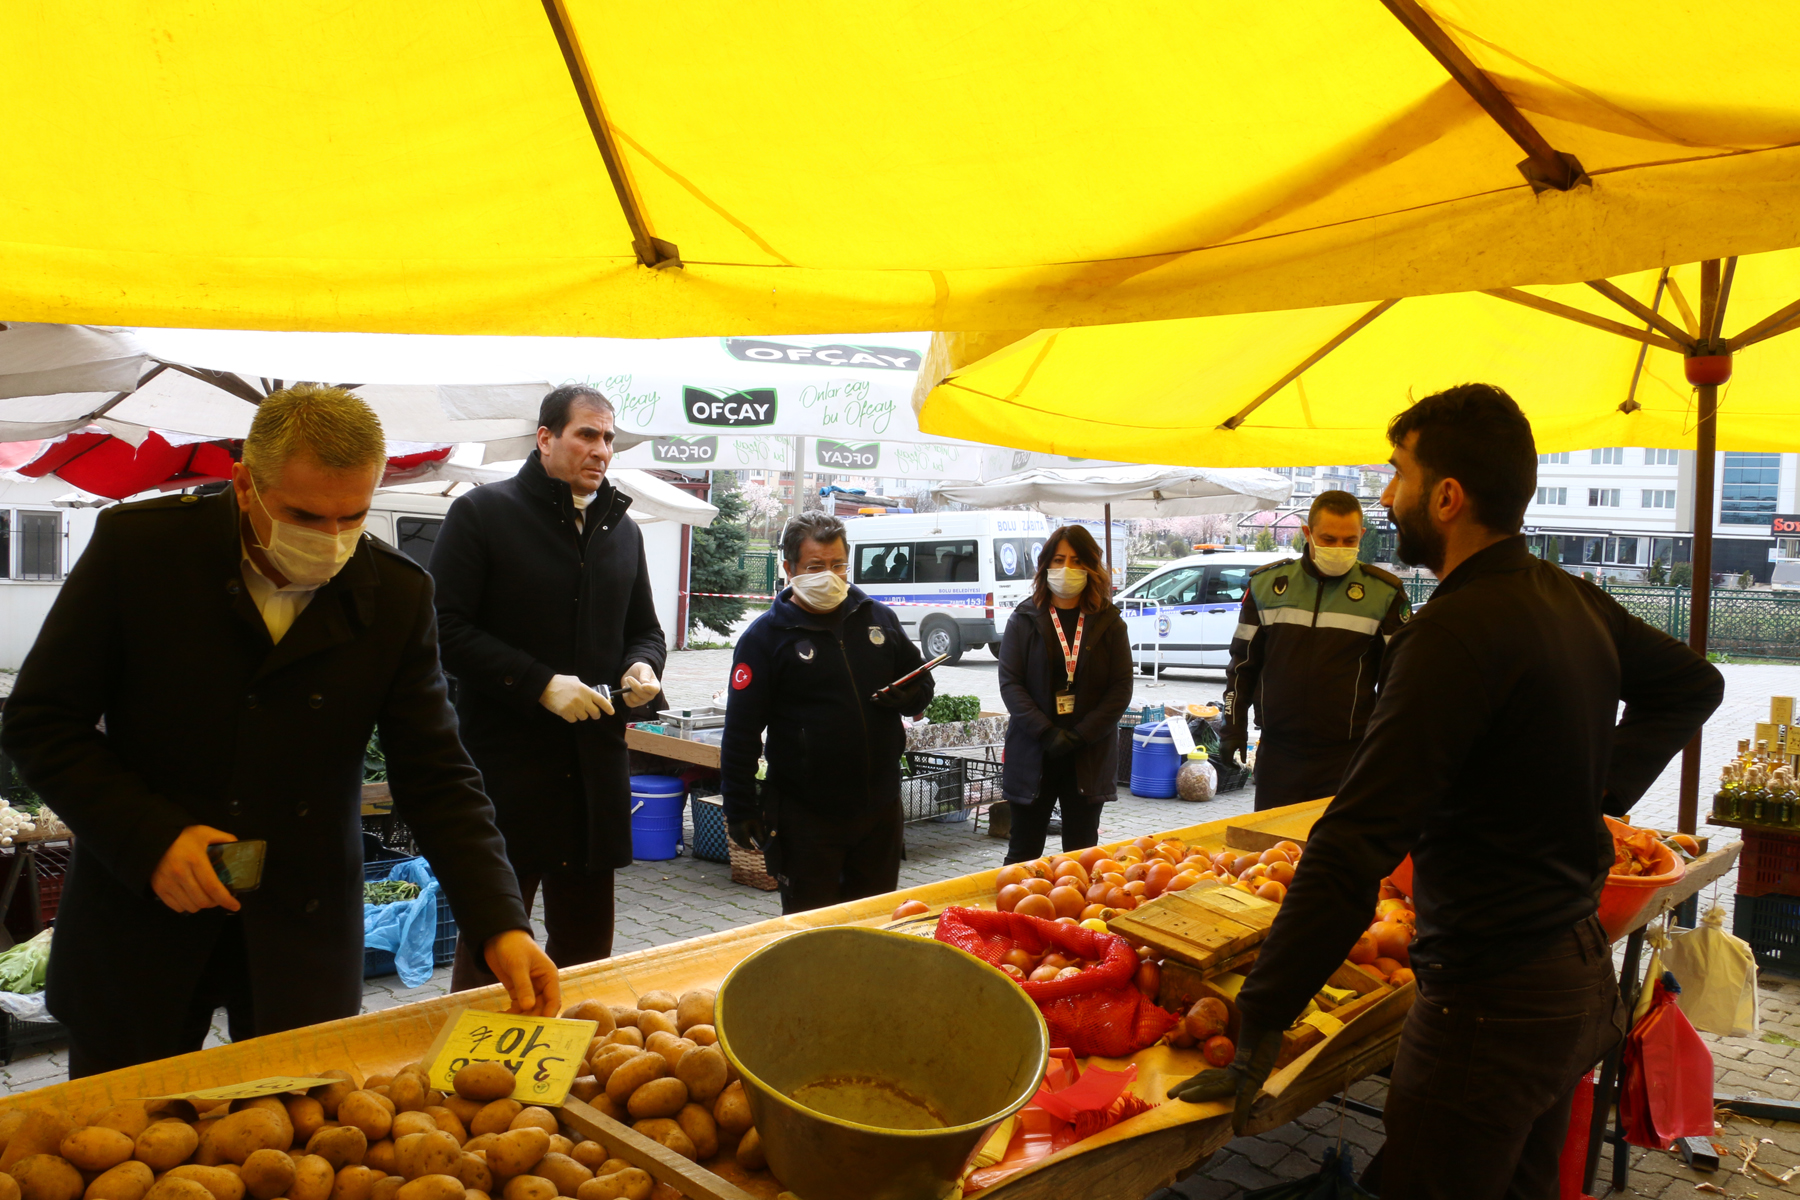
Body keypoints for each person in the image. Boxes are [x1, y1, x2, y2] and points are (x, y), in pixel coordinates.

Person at [1171, 385, 1724, 1199]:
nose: (1387, 494)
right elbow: (1693, 685)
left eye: (1398, 472)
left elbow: (1352, 845)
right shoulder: (1566, 594)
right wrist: (1586, 791)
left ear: (1447, 496)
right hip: (1572, 984)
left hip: (1488, 1009)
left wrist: (1260, 1021)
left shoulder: (1448, 634)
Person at [0, 385, 558, 1075]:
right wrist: (148, 837)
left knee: (300, 1124)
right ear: (244, 485)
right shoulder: (139, 549)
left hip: (302, 927)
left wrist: (499, 921)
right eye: (303, 516)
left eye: (353, 516)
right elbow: (41, 722)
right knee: (121, 1125)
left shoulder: (397, 593)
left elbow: (438, 776)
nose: (331, 540)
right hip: (139, 918)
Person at [430, 385, 666, 989]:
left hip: (593, 775)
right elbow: (443, 628)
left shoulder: (622, 530)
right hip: (509, 771)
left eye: (608, 438)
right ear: (545, 438)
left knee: (587, 955)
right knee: (493, 952)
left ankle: (577, 1045)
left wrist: (642, 666)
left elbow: (645, 630)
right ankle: (477, 1047)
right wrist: (538, 683)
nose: (602, 450)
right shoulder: (483, 514)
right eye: (587, 434)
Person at [719, 512, 932, 913]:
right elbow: (741, 732)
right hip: (806, 818)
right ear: (789, 569)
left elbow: (922, 684)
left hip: (880, 811)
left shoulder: (878, 618)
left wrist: (908, 697)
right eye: (815, 567)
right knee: (814, 932)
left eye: (838, 565)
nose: (829, 577)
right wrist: (739, 807)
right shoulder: (765, 638)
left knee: (873, 924)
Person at [1221, 490, 1410, 810]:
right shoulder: (1267, 585)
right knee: (1272, 841)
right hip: (1279, 754)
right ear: (1307, 533)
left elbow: (1402, 681)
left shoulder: (1384, 594)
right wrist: (1233, 727)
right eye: (1328, 539)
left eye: (1349, 540)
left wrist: (1390, 747)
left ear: (1362, 535)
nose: (1339, 548)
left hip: (1348, 756)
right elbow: (1242, 665)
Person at [997, 526, 1134, 862]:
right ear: (1045, 565)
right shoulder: (1024, 619)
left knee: (1081, 854)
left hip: (1088, 753)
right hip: (1034, 751)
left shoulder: (1109, 622)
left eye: (1076, 560)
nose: (1067, 569)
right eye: (1059, 560)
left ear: (1091, 567)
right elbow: (1011, 684)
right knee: (1023, 852)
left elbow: (1120, 689)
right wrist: (1046, 732)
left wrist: (1081, 734)